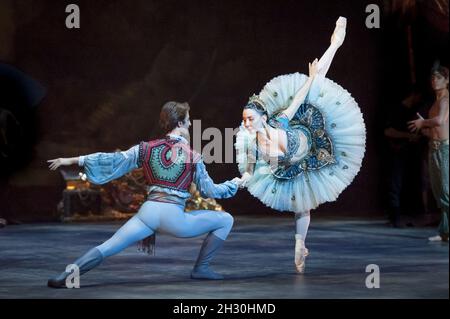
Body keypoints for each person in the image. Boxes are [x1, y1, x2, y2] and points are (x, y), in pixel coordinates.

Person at [47, 101, 243, 288]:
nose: (191, 123)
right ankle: (201, 268)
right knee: (225, 219)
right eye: (189, 119)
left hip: (147, 214)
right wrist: (235, 183)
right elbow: (210, 191)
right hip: (174, 218)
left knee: (108, 246)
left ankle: (64, 277)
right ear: (181, 123)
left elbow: (114, 159)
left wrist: (73, 159)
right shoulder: (193, 155)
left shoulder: (146, 148)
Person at [235, 17, 366, 273]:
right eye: (244, 120)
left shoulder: (281, 120)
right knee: (301, 203)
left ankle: (335, 44)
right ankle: (300, 243)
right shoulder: (253, 145)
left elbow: (299, 97)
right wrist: (241, 180)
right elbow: (249, 171)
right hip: (294, 165)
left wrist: (310, 78)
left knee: (317, 84)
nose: (246, 123)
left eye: (250, 119)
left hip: (309, 136)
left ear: (264, 118)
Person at [408, 63, 449, 242]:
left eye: (439, 77)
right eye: (433, 78)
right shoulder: (436, 101)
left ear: (447, 80)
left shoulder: (446, 99)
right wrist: (424, 129)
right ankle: (445, 231)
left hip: (445, 149)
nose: (434, 81)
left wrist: (423, 123)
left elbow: (440, 121)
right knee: (439, 192)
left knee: (447, 190)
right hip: (434, 148)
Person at [384, 88, 429, 227]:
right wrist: (409, 136)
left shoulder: (412, 111)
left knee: (409, 182)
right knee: (395, 183)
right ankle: (395, 217)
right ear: (414, 95)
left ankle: (408, 215)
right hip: (398, 151)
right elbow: (388, 131)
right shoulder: (396, 109)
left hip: (410, 152)